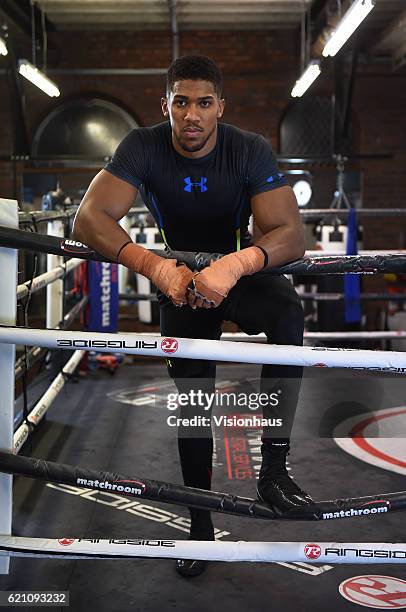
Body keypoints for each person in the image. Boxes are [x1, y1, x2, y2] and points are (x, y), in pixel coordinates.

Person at [73, 54, 318, 578]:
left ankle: (274, 468)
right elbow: (89, 216)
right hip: (177, 282)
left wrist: (238, 263)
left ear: (219, 108)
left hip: (238, 276)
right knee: (193, 400)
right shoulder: (142, 145)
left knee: (287, 314)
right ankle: (200, 526)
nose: (192, 115)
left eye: (204, 103)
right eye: (181, 102)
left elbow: (292, 234)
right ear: (166, 106)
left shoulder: (246, 148)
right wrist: (154, 268)